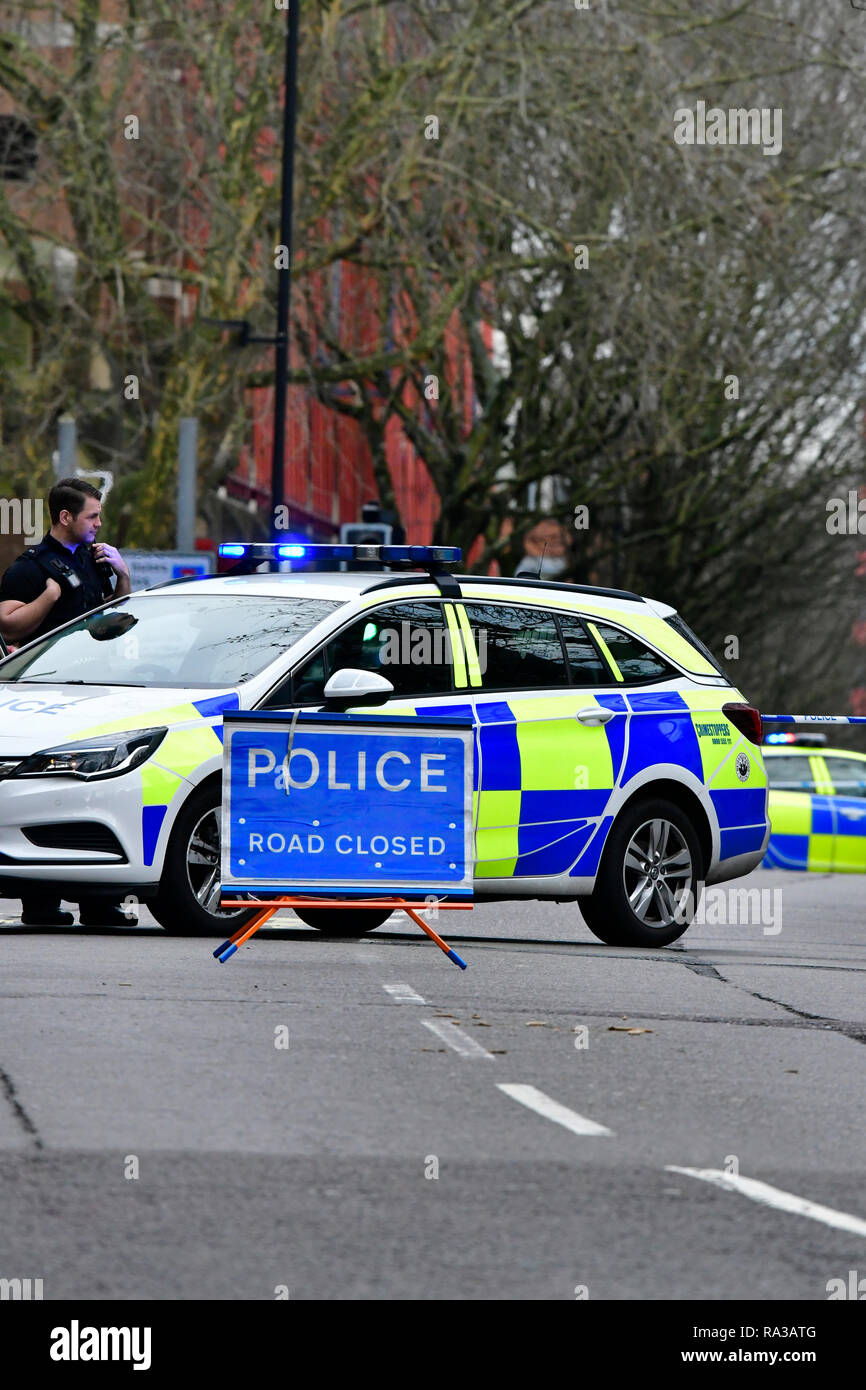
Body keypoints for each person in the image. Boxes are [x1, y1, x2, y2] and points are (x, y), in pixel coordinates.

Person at [0, 477, 135, 927]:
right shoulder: (30, 567)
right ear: (65, 517)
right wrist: (49, 596)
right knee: (49, 791)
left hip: (99, 691)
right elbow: (9, 626)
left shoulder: (95, 560)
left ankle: (100, 903)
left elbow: (115, 621)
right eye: (92, 516)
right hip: (47, 696)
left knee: (97, 790)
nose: (99, 523)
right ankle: (41, 904)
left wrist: (123, 576)